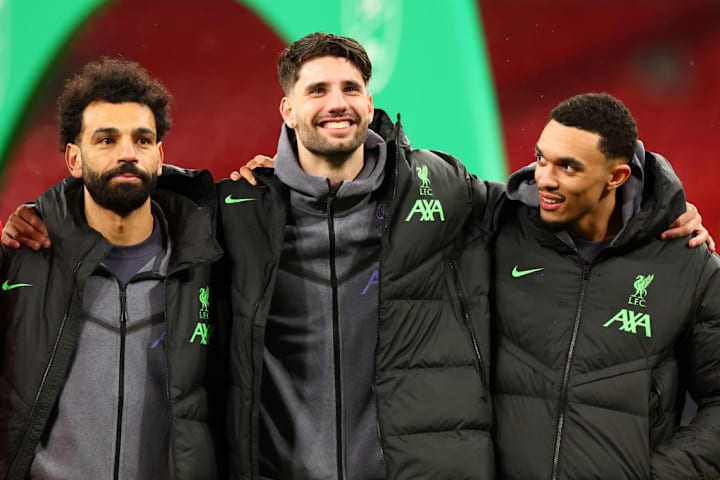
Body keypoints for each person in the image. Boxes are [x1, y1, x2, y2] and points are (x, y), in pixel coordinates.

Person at [0, 36, 712, 480]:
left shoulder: (446, 189)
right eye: (317, 90)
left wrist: (658, 208)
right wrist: (45, 214)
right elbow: (137, 186)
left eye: (350, 88)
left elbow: (554, 195)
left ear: (370, 101)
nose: (336, 103)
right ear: (286, 109)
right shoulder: (240, 207)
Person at [0, 58, 226, 479]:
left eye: (142, 140)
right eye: (106, 140)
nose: (127, 153)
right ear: (73, 158)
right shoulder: (23, 257)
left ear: (160, 157)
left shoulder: (207, 261)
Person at [491, 93, 720, 479]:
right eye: (541, 157)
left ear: (616, 177)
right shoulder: (498, 228)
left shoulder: (688, 265)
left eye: (568, 167)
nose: (544, 178)